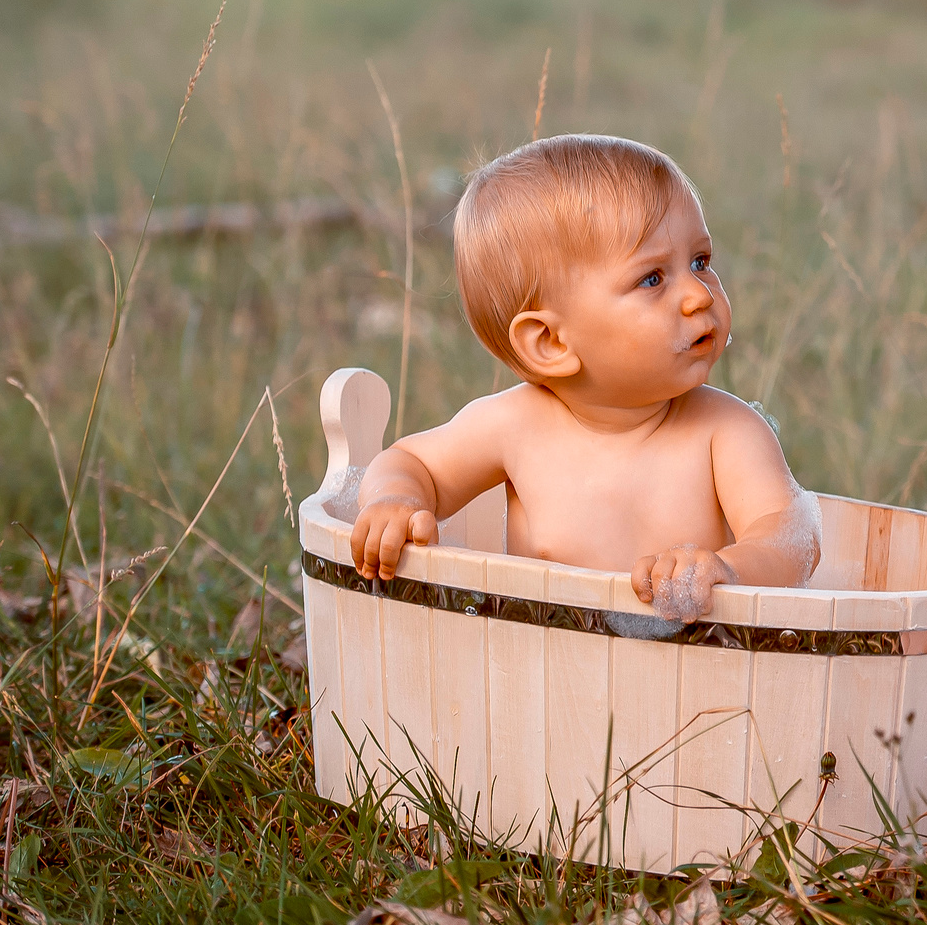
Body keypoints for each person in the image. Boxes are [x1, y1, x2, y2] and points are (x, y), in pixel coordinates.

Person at [347, 134, 819, 620]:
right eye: (652, 278)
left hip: (692, 679)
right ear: (550, 343)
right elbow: (411, 462)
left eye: (700, 262)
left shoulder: (726, 431)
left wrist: (728, 569)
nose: (699, 295)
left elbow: (793, 535)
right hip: (548, 673)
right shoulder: (514, 426)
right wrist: (394, 500)